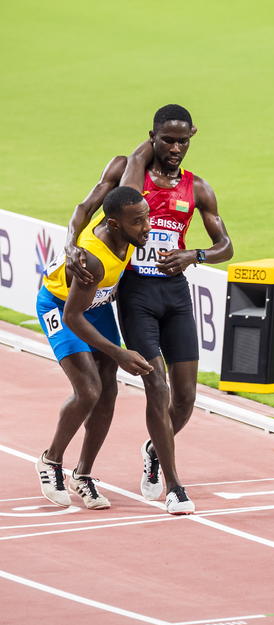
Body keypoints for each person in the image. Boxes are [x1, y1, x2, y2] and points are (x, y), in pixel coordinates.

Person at [65, 104, 234, 515]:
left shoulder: (198, 189)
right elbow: (88, 205)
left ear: (193, 136)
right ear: (154, 137)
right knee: (156, 385)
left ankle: (155, 449)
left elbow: (226, 246)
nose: (176, 148)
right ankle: (176, 487)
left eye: (184, 140)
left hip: (175, 294)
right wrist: (71, 244)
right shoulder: (133, 177)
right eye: (168, 140)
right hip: (137, 292)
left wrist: (194, 255)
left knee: (187, 397)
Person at [35, 187, 154, 509]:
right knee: (88, 390)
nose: (147, 227)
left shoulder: (126, 230)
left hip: (96, 305)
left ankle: (83, 475)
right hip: (61, 307)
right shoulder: (92, 260)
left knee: (108, 392)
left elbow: (84, 205)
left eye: (146, 217)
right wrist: (120, 353)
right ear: (114, 224)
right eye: (138, 222)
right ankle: (51, 460)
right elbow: (73, 317)